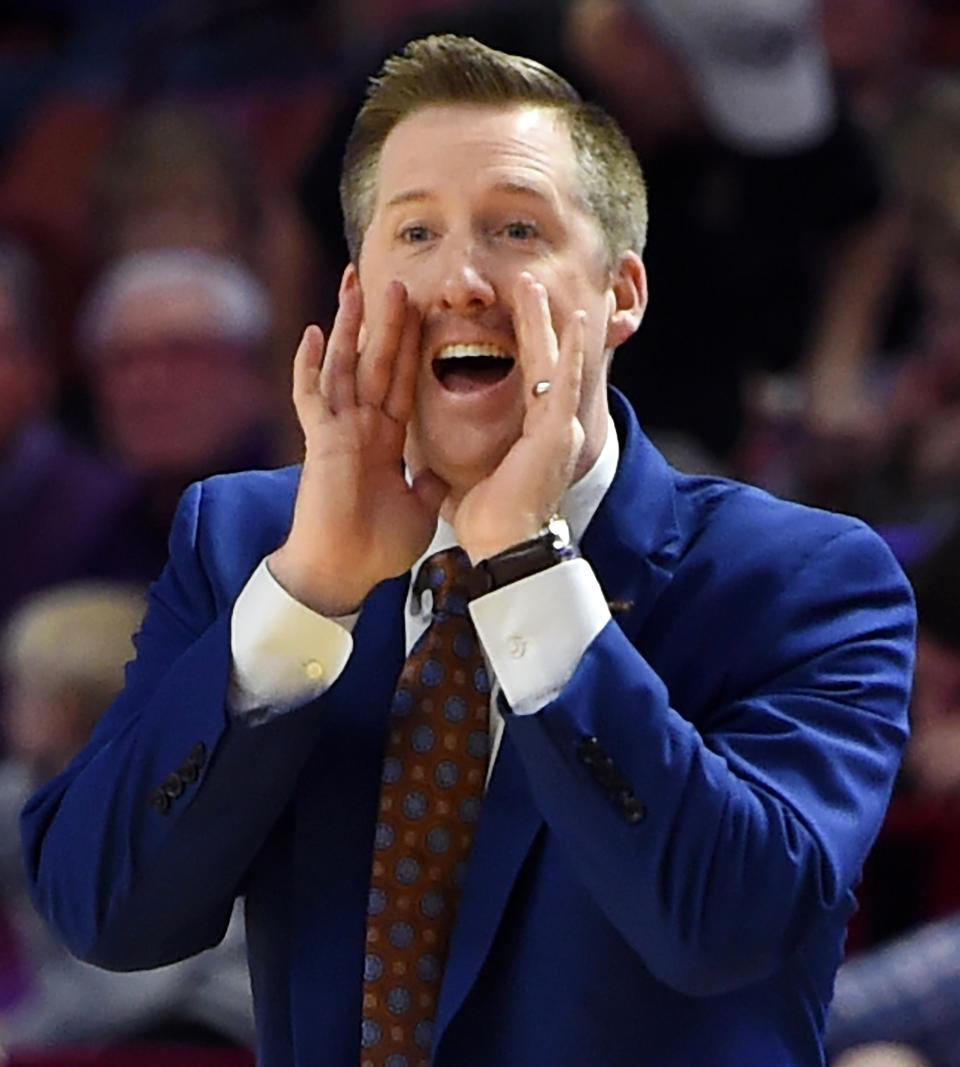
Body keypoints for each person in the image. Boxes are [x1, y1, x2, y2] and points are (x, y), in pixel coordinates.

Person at [21, 34, 915, 1067]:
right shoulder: (247, 543)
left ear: (621, 293)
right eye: (417, 233)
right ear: (354, 293)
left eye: (517, 228)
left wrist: (525, 568)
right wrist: (306, 594)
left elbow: (723, 922)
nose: (461, 278)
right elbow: (104, 913)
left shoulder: (807, 580)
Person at [0, 581, 255, 1050]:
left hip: (204, 1024)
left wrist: (20, 1035)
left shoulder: (178, 794)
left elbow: (139, 984)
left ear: (59, 710)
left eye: (17, 690)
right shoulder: (23, 792)